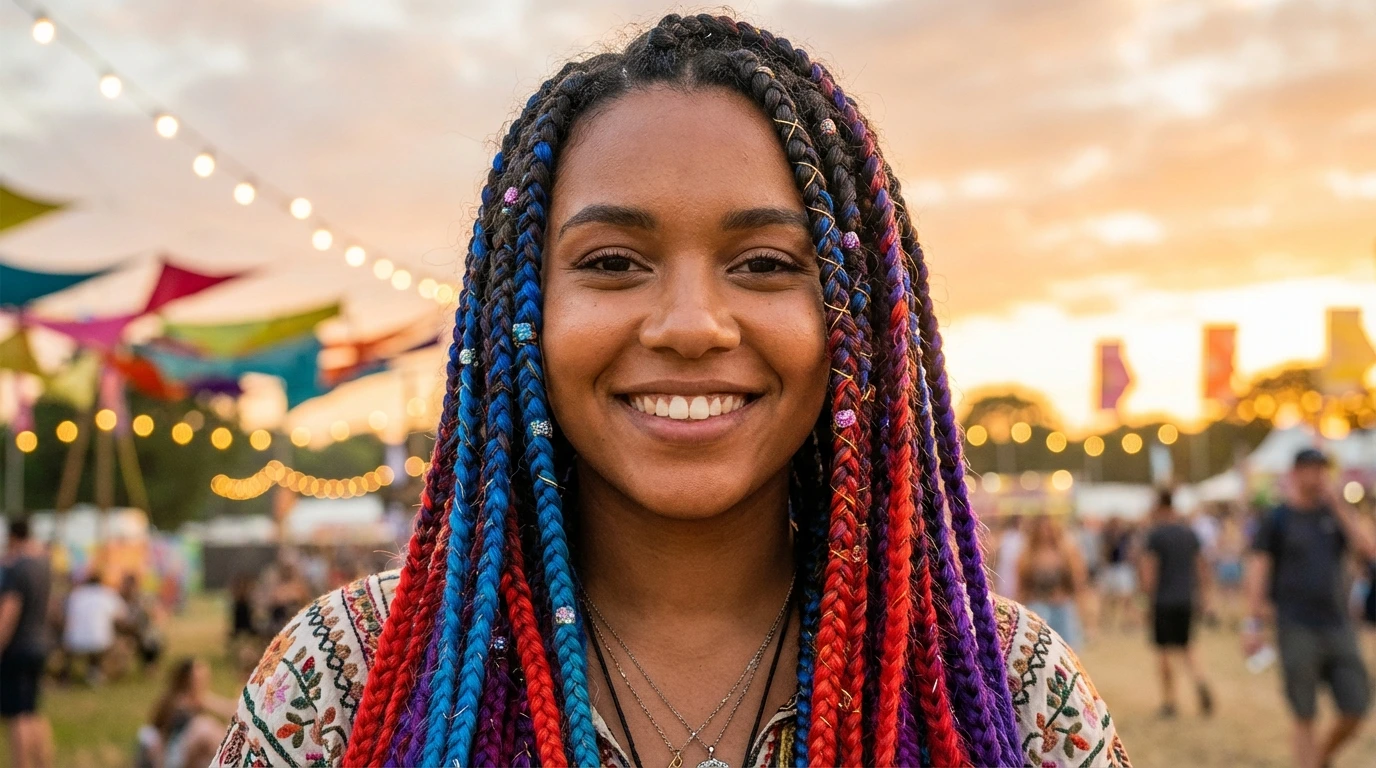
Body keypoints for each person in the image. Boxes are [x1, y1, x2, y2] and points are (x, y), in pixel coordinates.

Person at [215, 15, 1130, 767]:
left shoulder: (1010, 690)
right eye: (613, 262)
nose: (691, 324)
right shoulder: (349, 676)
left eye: (765, 264)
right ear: (520, 308)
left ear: (854, 320)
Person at [1244, 448, 1376, 768]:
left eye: (1321, 469)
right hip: (1295, 625)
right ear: (1295, 473)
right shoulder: (1278, 518)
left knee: (1356, 705)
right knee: (1304, 714)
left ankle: (1319, 759)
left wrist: (1338, 505)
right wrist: (1253, 622)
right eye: (1310, 469)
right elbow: (1259, 568)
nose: (1317, 475)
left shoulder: (1333, 515)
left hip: (1337, 624)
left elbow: (1367, 550)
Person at [1139, 489, 1213, 718]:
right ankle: (1200, 681)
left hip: (1163, 599)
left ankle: (1169, 701)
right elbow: (1202, 567)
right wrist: (1204, 596)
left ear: (1159, 507)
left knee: (1163, 651)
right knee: (1187, 646)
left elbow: (1150, 571)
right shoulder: (1189, 533)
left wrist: (1147, 601)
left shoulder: (1156, 536)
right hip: (1186, 598)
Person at [0, 518, 55, 768]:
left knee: (18, 716)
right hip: (40, 643)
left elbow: (9, 612)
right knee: (33, 711)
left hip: (18, 648)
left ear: (12, 536)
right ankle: (44, 763)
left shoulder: (17, 569)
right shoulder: (44, 564)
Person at [136, 657, 235, 768]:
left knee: (213, 729)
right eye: (199, 677)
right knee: (204, 728)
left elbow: (232, 711)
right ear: (188, 679)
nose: (204, 680)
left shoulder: (201, 700)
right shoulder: (174, 702)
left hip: (190, 756)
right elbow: (157, 736)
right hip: (171, 756)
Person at [1016, 514, 1091, 648]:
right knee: (1039, 645)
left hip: (1062, 603)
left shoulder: (1066, 552)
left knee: (1067, 646)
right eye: (1042, 529)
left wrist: (1083, 610)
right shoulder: (1028, 555)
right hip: (1037, 604)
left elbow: (1077, 581)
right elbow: (1022, 583)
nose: (1046, 533)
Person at [62, 570, 126, 684]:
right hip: (100, 641)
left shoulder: (76, 594)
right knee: (102, 640)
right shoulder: (107, 594)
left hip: (74, 641)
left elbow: (66, 617)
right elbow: (122, 617)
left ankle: (66, 677)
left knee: (86, 640)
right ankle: (94, 673)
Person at [1098, 516, 1139, 632]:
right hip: (1111, 567)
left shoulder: (1125, 536)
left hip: (1122, 567)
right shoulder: (1107, 536)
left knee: (1126, 598)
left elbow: (1131, 551)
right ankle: (1107, 621)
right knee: (1108, 597)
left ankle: (1128, 621)